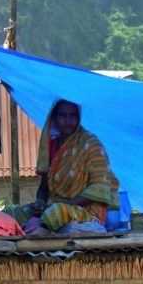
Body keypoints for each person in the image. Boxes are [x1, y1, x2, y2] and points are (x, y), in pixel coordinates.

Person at [11, 99, 119, 234]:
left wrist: (65, 205)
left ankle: (40, 233)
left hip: (86, 211)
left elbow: (100, 188)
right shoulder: (52, 146)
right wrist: (40, 204)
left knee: (55, 213)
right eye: (62, 116)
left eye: (72, 116)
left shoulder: (91, 144)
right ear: (54, 118)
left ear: (78, 118)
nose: (68, 121)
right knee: (15, 214)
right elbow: (44, 186)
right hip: (54, 206)